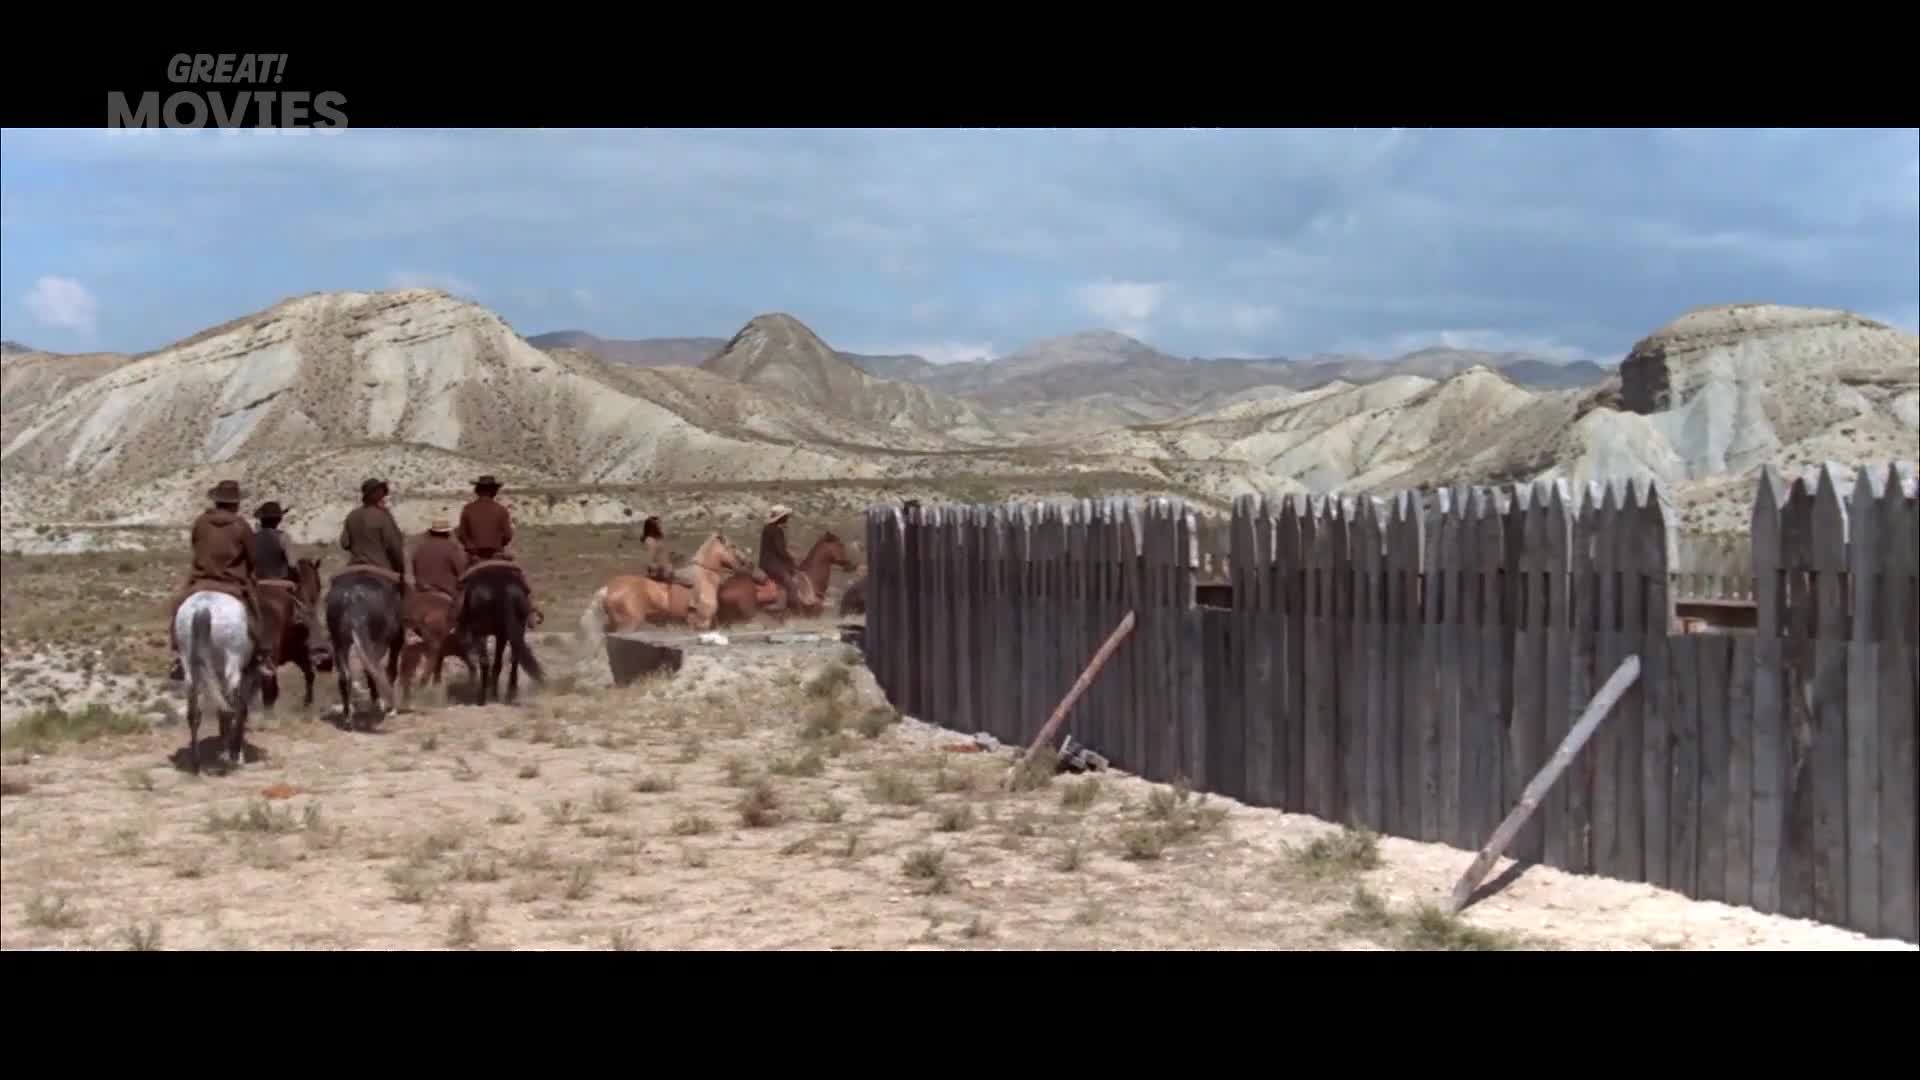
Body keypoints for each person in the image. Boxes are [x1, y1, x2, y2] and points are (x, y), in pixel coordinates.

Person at [167, 480, 270, 681]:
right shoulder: (241, 525)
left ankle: (178, 656)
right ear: (236, 503)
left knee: (177, 606)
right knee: (257, 611)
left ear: (216, 501)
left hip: (201, 580)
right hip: (233, 583)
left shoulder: (200, 522)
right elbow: (252, 558)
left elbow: (195, 547)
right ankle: (260, 655)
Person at [455, 474, 539, 621]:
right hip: (497, 555)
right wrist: (499, 544)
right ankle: (530, 611)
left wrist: (471, 548)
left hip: (475, 558)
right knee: (521, 579)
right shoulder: (501, 510)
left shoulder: (468, 509)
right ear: (494, 491)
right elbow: (508, 534)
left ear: (477, 490)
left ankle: (457, 616)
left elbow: (461, 534)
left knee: (460, 586)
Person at [340, 478, 409, 590]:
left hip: (354, 566)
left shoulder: (352, 515)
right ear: (378, 496)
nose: (384, 499)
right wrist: (401, 571)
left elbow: (344, 543)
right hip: (380, 568)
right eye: (382, 495)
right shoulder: (383, 516)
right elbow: (394, 547)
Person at [757, 504, 817, 611]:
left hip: (766, 562)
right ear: (781, 517)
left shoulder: (768, 528)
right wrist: (791, 562)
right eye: (786, 516)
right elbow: (781, 552)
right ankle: (792, 610)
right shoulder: (775, 531)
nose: (787, 518)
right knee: (791, 584)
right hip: (772, 564)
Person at [641, 515, 701, 590]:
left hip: (667, 572)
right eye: (659, 525)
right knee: (692, 581)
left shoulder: (658, 538)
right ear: (653, 527)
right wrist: (663, 568)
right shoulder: (650, 541)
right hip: (661, 574)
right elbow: (649, 563)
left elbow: (661, 554)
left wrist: (674, 555)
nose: (662, 526)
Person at [251, 501, 298, 584]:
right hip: (281, 583)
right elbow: (292, 565)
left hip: (257, 584)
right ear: (278, 520)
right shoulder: (284, 537)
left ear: (261, 519)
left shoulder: (252, 538)